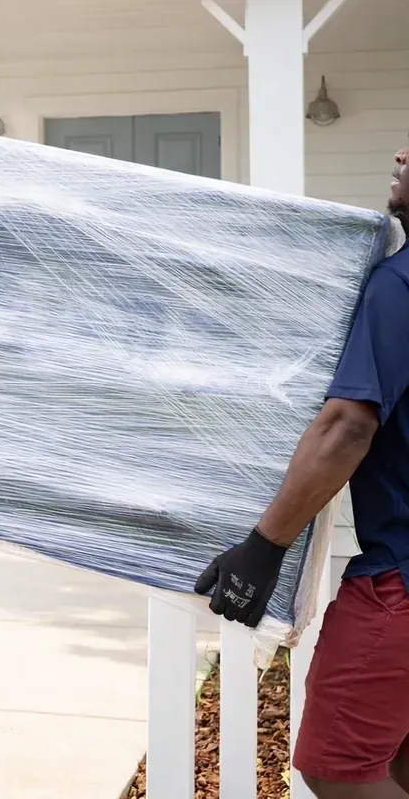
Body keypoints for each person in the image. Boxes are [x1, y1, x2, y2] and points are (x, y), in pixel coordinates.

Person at [194, 151, 409, 799]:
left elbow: (348, 424)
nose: (398, 155)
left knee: (337, 769)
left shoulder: (399, 286)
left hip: (403, 584)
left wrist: (262, 549)